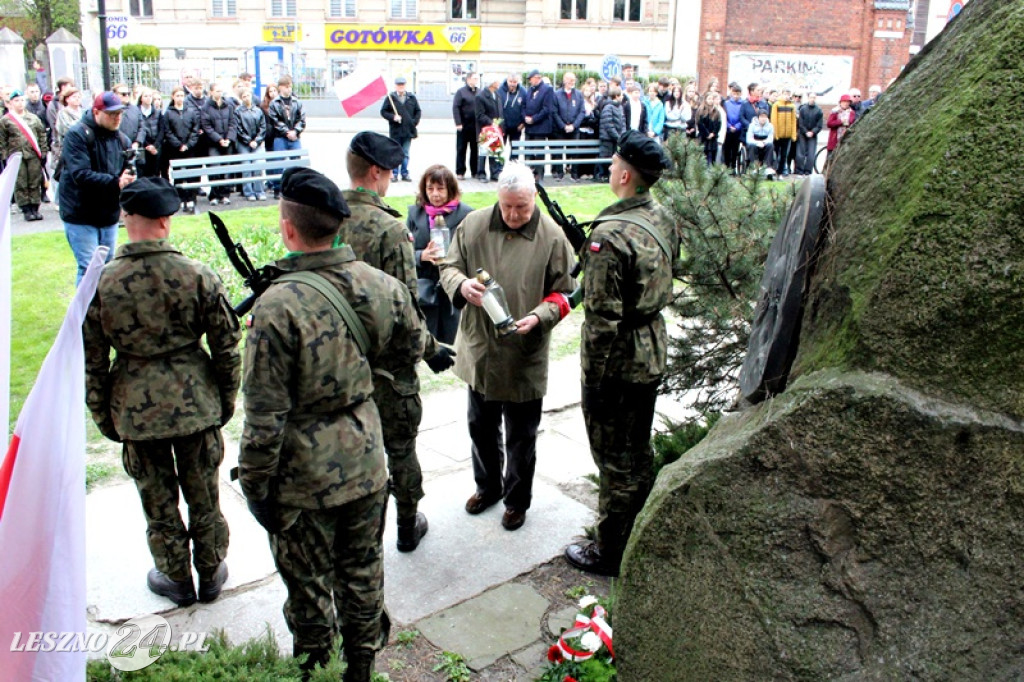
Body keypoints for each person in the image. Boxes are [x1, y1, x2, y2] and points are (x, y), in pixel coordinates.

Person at [239, 167, 431, 680]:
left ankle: (316, 670)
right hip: (367, 461)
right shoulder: (383, 286)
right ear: (340, 228)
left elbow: (263, 419)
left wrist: (257, 491)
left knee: (308, 591)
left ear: (287, 228)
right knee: (364, 573)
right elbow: (414, 346)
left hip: (304, 482)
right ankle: (362, 665)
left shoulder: (275, 307)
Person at [83, 176, 240, 607]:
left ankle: (174, 576)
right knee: (204, 495)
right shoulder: (197, 275)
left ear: (124, 218)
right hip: (196, 404)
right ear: (166, 222)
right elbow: (227, 346)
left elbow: (93, 362)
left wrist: (104, 417)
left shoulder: (101, 284)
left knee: (158, 502)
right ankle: (210, 572)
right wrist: (225, 401)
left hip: (135, 409)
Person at [564, 130, 678, 578]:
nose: (610, 169)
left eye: (613, 163)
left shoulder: (607, 238)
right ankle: (642, 532)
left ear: (626, 173)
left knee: (613, 459)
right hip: (651, 347)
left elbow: (600, 321)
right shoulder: (664, 217)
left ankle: (610, 551)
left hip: (619, 362)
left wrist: (592, 381)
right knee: (637, 449)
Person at [438, 161, 576, 531]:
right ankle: (488, 487)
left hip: (524, 351)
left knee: (521, 436)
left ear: (533, 199)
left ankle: (516, 500)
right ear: (498, 198)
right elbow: (449, 266)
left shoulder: (551, 236)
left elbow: (567, 290)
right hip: (481, 348)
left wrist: (542, 316)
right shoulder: (474, 225)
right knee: (480, 427)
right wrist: (460, 285)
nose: (514, 215)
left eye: (522, 207)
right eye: (507, 206)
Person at [340, 132, 456, 553]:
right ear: (375, 172)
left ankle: (356, 536)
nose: (390, 180)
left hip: (337, 363)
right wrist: (431, 350)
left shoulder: (324, 216)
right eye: (389, 172)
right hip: (387, 365)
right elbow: (406, 304)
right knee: (400, 447)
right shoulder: (389, 229)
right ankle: (407, 525)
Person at [59, 92, 135, 285]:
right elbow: (80, 174)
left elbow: (127, 169)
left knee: (108, 268)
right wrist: (115, 182)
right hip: (80, 213)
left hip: (108, 213)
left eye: (120, 113)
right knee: (89, 268)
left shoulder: (122, 140)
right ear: (96, 112)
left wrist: (129, 178)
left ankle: (103, 311)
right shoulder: (77, 135)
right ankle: (85, 314)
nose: (117, 118)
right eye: (112, 114)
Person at [407, 164, 474, 344]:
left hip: (453, 286)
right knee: (424, 342)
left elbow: (472, 252)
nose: (435, 194)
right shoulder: (415, 213)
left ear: (450, 189)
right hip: (424, 286)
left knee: (454, 344)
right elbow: (404, 253)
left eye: (440, 189)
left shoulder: (467, 214)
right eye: (430, 188)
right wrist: (422, 255)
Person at [0, 89, 49, 220]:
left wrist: (43, 151)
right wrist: (5, 157)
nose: (20, 103)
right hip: (16, 155)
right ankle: (26, 209)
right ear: (10, 103)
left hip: (33, 154)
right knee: (21, 182)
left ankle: (35, 207)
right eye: (16, 101)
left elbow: (42, 134)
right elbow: (2, 140)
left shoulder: (33, 118)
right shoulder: (6, 120)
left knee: (34, 181)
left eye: (22, 100)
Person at [267, 75, 306, 199]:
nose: (289, 89)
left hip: (295, 137)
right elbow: (275, 121)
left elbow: (302, 119)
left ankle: (296, 186)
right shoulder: (275, 103)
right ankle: (277, 188)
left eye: (290, 86)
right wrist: (287, 132)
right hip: (281, 137)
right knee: (279, 163)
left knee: (296, 162)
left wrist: (295, 131)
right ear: (280, 88)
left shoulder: (297, 102)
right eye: (286, 87)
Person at [162, 86, 201, 211]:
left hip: (190, 148)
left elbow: (195, 129)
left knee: (191, 173)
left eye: (181, 95)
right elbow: (167, 131)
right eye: (177, 95)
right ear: (173, 97)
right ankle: (180, 198)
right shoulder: (168, 113)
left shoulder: (191, 111)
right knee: (178, 174)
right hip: (175, 148)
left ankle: (191, 198)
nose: (180, 98)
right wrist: (178, 145)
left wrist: (188, 144)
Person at [200, 81, 236, 205]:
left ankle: (225, 194)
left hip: (227, 142)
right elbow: (207, 127)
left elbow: (232, 123)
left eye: (220, 91)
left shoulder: (229, 106)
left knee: (226, 169)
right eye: (216, 91)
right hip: (213, 143)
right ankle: (214, 195)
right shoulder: (206, 107)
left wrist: (228, 139)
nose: (219, 93)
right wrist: (219, 139)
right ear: (211, 92)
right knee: (214, 169)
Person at [380, 76, 420, 183]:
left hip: (408, 131)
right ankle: (394, 174)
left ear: (405, 85)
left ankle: (405, 173)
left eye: (402, 85)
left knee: (405, 153)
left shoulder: (411, 97)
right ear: (395, 86)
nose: (401, 87)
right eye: (399, 85)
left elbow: (418, 111)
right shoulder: (390, 98)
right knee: (395, 152)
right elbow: (383, 112)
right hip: (396, 131)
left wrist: (413, 122)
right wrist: (393, 117)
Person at [233, 87, 268, 200]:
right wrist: (248, 141)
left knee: (258, 166)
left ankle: (259, 190)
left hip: (256, 143)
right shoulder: (238, 111)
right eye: (244, 96)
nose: (246, 98)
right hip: (244, 144)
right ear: (241, 98)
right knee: (247, 168)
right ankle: (248, 192)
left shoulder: (258, 111)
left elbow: (263, 127)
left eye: (248, 95)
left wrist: (256, 141)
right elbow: (238, 129)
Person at [523, 69, 555, 180]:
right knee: (528, 152)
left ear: (537, 78)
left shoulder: (547, 90)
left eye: (531, 79)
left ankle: (539, 175)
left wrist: (534, 119)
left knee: (539, 153)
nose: (530, 81)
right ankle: (529, 174)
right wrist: (525, 117)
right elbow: (524, 106)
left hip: (540, 127)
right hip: (529, 127)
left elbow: (547, 109)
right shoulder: (529, 90)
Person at [552, 72, 584, 180]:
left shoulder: (579, 94)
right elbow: (554, 112)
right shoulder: (557, 94)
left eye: (574, 80)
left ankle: (574, 174)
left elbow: (582, 111)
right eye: (570, 80)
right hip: (560, 129)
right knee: (558, 151)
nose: (572, 82)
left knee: (575, 151)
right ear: (565, 80)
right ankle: (560, 173)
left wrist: (574, 126)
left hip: (574, 129)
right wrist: (563, 126)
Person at [474, 74, 504, 182]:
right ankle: (481, 173)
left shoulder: (497, 94)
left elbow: (500, 112)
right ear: (492, 83)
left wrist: (500, 126)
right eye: (497, 81)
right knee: (483, 152)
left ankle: (495, 173)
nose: (499, 84)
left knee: (494, 151)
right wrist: (491, 123)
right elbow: (479, 114)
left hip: (496, 130)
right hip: (485, 130)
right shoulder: (480, 96)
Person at [452, 72, 479, 179]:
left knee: (475, 150)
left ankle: (475, 171)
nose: (476, 80)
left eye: (477, 79)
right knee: (461, 149)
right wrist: (458, 123)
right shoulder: (461, 92)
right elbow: (456, 108)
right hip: (463, 126)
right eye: (474, 78)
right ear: (468, 79)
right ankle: (460, 172)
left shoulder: (479, 92)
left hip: (475, 127)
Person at [597, 85, 625, 182]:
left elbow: (623, 122)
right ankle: (602, 176)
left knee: (615, 159)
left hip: (616, 139)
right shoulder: (608, 107)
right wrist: (617, 136)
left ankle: (611, 177)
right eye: (621, 95)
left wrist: (622, 135)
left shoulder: (620, 107)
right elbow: (608, 124)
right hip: (607, 139)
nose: (622, 97)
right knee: (605, 158)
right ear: (616, 96)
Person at [136, 88, 163, 177]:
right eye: (146, 96)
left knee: (155, 172)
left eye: (150, 96)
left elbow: (161, 130)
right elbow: (138, 130)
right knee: (143, 172)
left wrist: (155, 145)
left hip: (155, 146)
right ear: (141, 98)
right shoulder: (136, 112)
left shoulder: (157, 112)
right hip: (143, 146)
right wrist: (147, 145)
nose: (148, 98)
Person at [795, 91, 823, 175]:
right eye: (811, 97)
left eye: (814, 97)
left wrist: (813, 132)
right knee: (800, 154)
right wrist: (805, 131)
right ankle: (799, 170)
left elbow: (819, 125)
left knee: (811, 154)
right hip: (802, 133)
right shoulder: (803, 109)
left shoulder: (819, 110)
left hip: (813, 135)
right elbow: (800, 122)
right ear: (808, 98)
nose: (812, 99)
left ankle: (808, 171)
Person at [770, 89, 797, 176]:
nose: (786, 96)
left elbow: (794, 121)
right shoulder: (776, 105)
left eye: (788, 94)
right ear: (781, 94)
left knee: (784, 155)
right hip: (778, 135)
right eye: (785, 94)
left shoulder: (792, 106)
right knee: (776, 154)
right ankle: (775, 170)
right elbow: (774, 120)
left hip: (787, 135)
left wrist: (793, 134)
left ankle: (781, 172)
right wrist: (775, 134)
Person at [498, 73, 526, 159]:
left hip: (517, 127)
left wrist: (523, 123)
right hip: (502, 126)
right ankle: (498, 170)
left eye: (515, 82)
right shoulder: (499, 91)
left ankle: (513, 168)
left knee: (515, 151)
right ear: (507, 80)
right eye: (510, 81)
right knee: (499, 150)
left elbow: (526, 108)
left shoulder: (523, 92)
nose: (512, 84)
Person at [826, 94, 856, 170]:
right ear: (840, 102)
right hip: (834, 138)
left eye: (848, 102)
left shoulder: (851, 112)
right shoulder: (835, 111)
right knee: (831, 158)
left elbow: (851, 122)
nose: (846, 103)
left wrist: (847, 123)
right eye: (844, 101)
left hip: (845, 138)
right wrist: (840, 122)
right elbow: (829, 123)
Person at [746, 108, 775, 173]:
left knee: (771, 145)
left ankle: (768, 167)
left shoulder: (770, 126)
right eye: (761, 117)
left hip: (765, 143)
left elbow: (770, 138)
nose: (763, 118)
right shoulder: (752, 125)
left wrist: (764, 142)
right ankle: (754, 167)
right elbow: (749, 139)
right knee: (751, 145)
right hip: (755, 143)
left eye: (765, 117)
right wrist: (757, 143)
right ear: (758, 117)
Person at [696, 92, 721, 167]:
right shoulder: (701, 111)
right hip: (704, 138)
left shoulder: (716, 112)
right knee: (703, 157)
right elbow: (700, 124)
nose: (711, 101)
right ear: (705, 100)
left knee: (712, 158)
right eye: (709, 99)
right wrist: (707, 134)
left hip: (713, 138)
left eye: (712, 99)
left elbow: (718, 124)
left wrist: (713, 133)